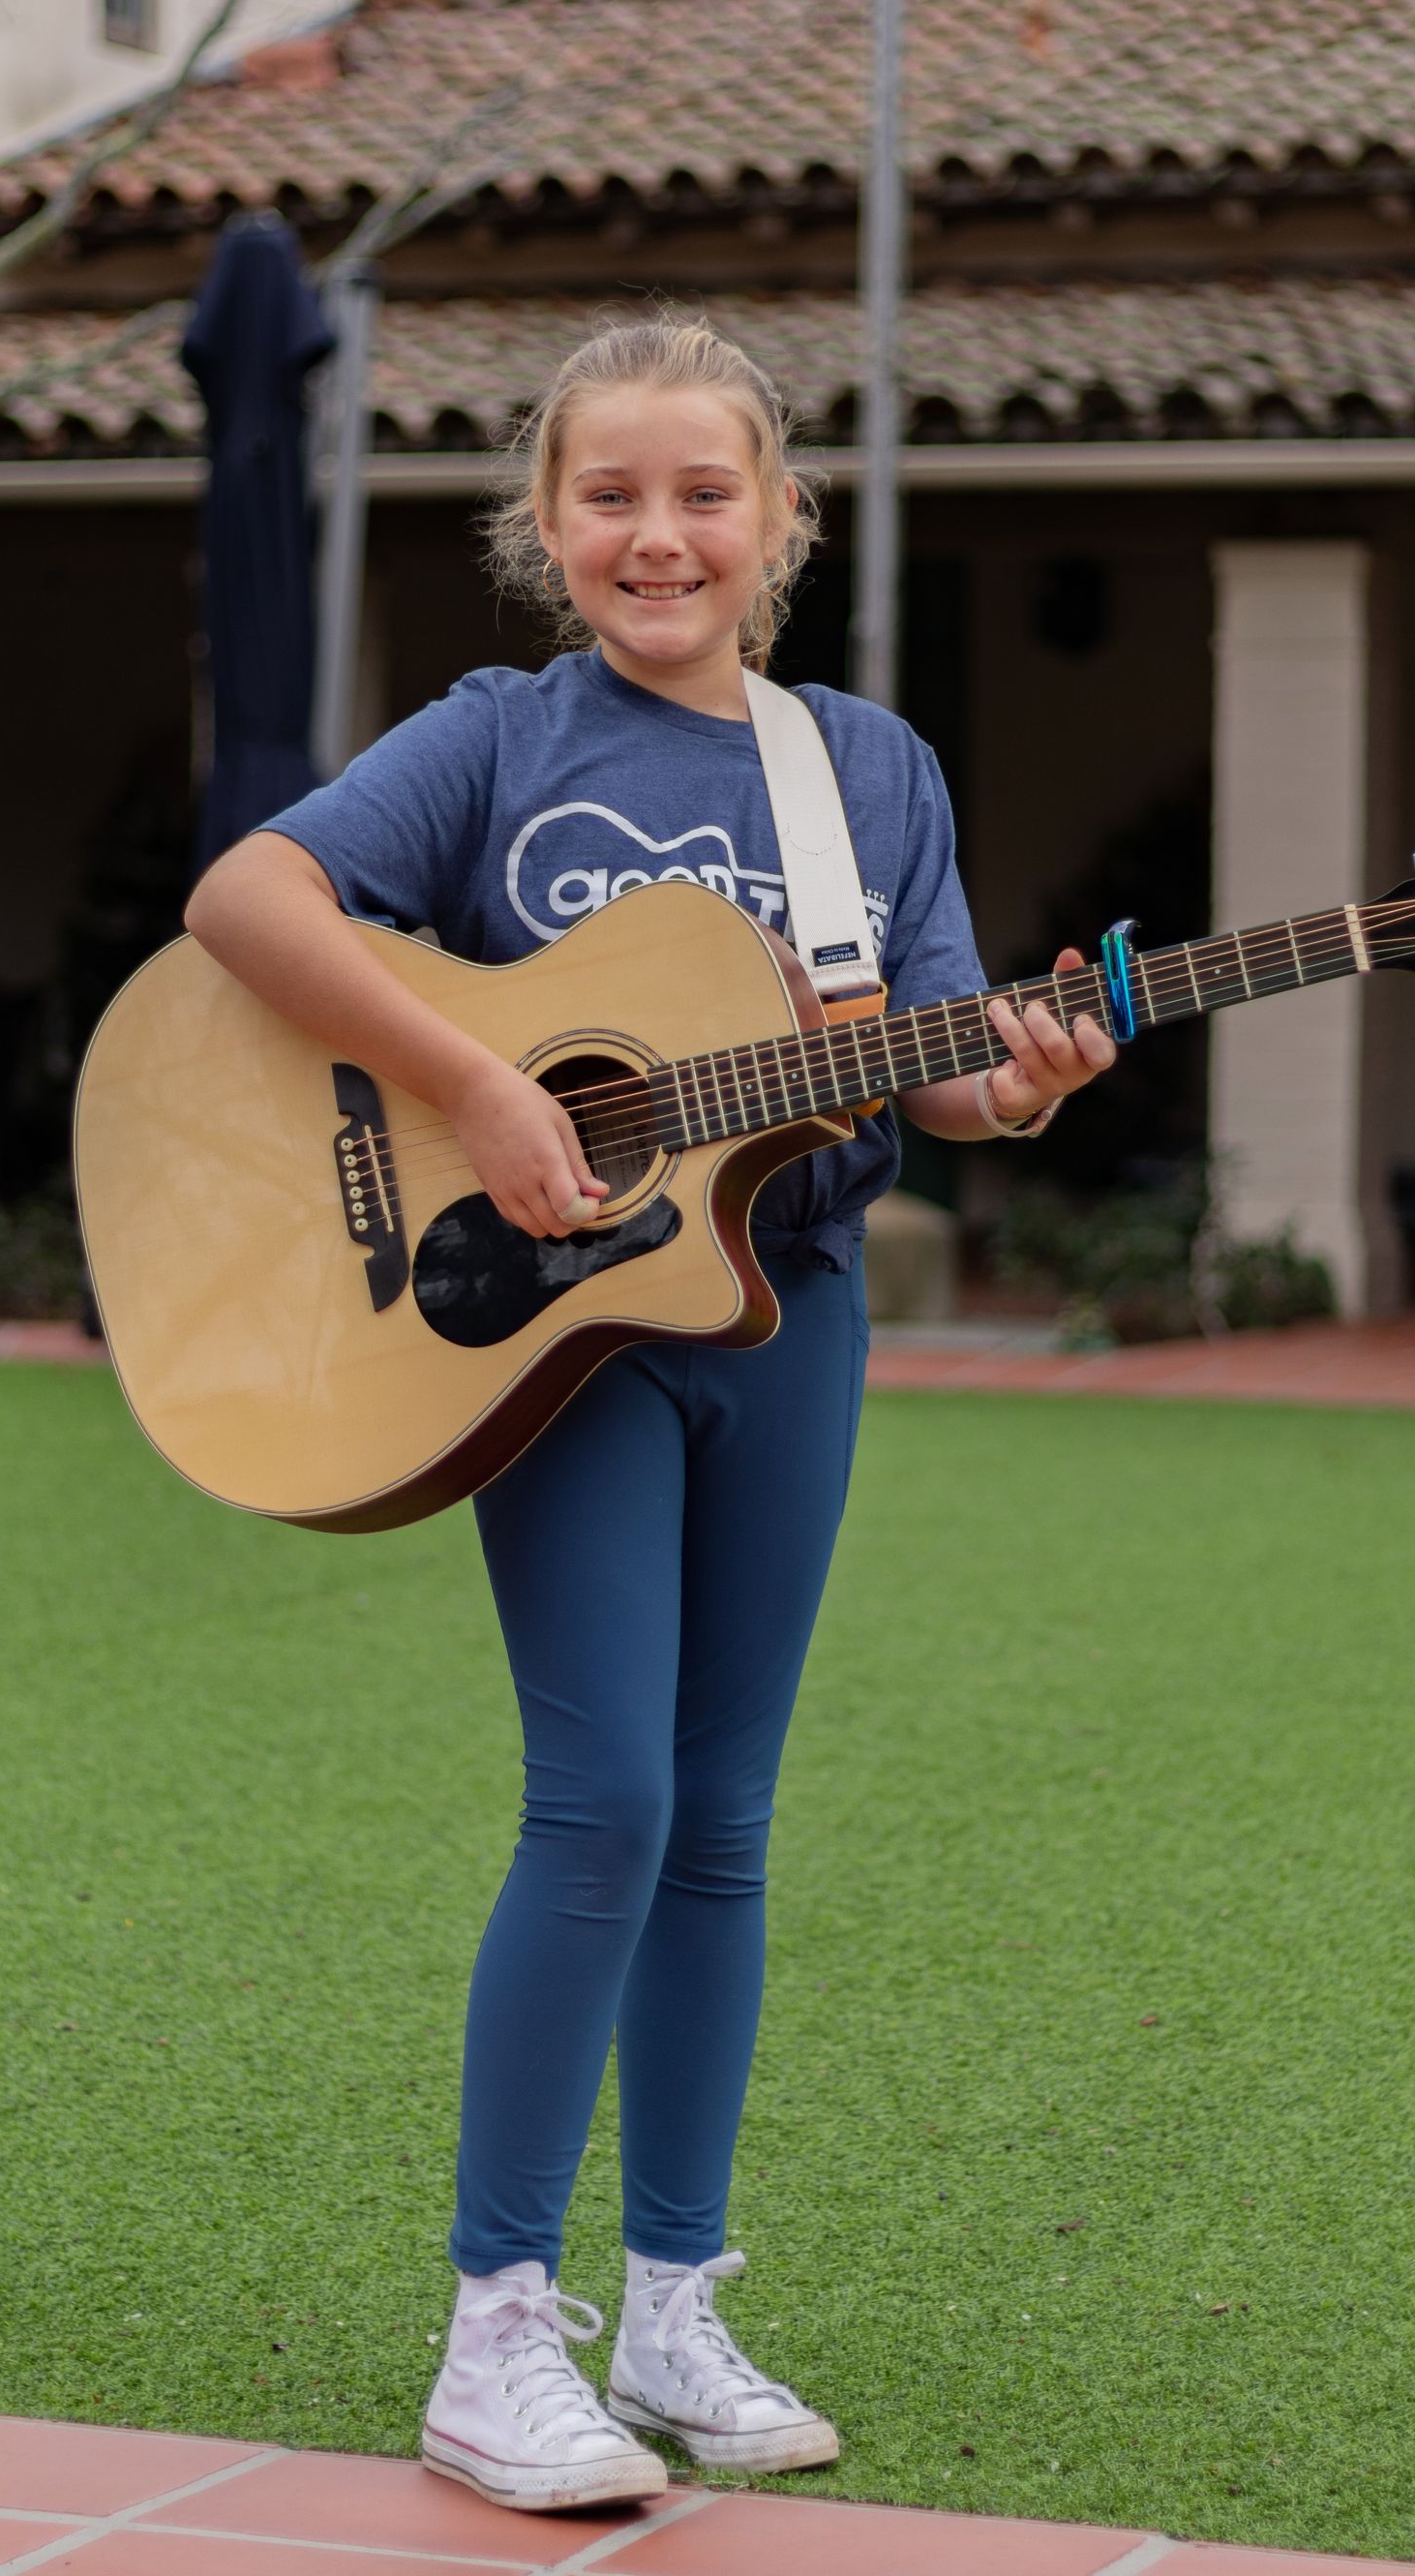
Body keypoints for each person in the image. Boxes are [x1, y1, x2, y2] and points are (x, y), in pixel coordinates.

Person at [184, 316, 1117, 2513]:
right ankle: (495, 2329)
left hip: (785, 1326)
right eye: (611, 494)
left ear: (779, 522)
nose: (657, 533)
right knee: (597, 1803)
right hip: (567, 1341)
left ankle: (676, 2300)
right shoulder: (499, 736)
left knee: (722, 1823)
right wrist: (488, 1086)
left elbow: (942, 1072)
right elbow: (248, 897)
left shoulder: (863, 770)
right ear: (545, 522)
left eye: (706, 493)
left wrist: (1030, 1072)